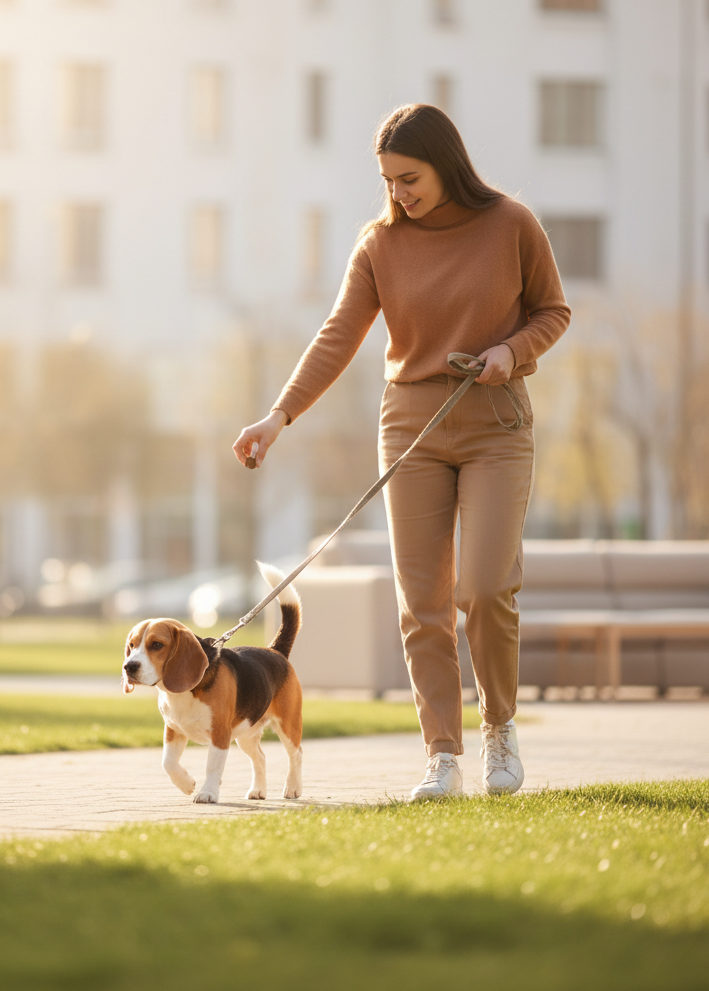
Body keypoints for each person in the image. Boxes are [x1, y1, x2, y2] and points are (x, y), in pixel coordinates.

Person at [232, 104, 570, 802]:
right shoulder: (379, 245)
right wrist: (278, 415)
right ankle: (441, 755)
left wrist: (512, 350)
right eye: (388, 181)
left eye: (409, 179)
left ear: (447, 165)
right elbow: (337, 335)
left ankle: (499, 727)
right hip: (411, 424)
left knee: (483, 588)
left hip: (495, 423)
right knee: (422, 604)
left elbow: (553, 311)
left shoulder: (511, 224)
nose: (399, 195)